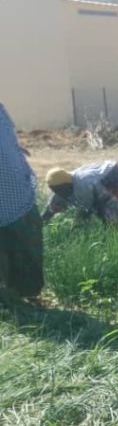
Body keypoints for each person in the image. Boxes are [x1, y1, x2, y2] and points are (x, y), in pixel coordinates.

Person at [0, 103, 44, 302]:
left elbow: (9, 139)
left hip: (16, 191)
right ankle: (17, 295)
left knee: (25, 243)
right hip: (16, 193)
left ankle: (23, 294)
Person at [42, 160, 118, 224]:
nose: (57, 192)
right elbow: (51, 209)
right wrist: (40, 223)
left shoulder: (83, 185)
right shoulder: (61, 186)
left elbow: (87, 211)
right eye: (53, 190)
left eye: (59, 189)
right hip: (107, 176)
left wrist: (78, 226)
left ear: (66, 185)